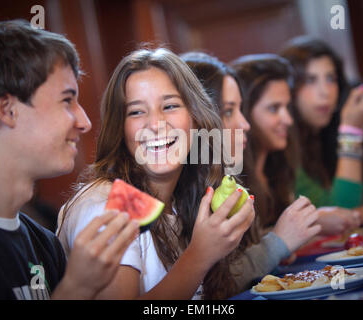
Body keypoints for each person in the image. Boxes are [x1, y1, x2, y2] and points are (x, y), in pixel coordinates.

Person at [57, 47, 255, 300]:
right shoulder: (111, 202)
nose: (155, 124)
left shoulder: (183, 200)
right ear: (120, 129)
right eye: (137, 111)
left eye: (170, 106)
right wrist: (200, 255)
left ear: (196, 118)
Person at [0, 20, 139, 300]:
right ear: (8, 110)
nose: (85, 122)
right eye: (67, 100)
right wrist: (77, 289)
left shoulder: (45, 244)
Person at [180, 52, 320, 284]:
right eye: (227, 111)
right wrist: (277, 243)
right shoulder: (187, 195)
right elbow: (214, 285)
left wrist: (281, 238)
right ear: (197, 117)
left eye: (240, 110)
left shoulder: (222, 179)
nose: (245, 124)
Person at [230, 53, 363, 237]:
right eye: (274, 108)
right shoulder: (230, 178)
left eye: (287, 107)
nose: (288, 119)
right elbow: (241, 252)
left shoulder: (281, 161)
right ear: (245, 112)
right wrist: (352, 131)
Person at [279, 36, 363, 226]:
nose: (325, 91)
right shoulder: (281, 142)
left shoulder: (324, 134)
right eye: (310, 80)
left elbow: (354, 204)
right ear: (288, 89)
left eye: (331, 78)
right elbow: (341, 211)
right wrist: (351, 132)